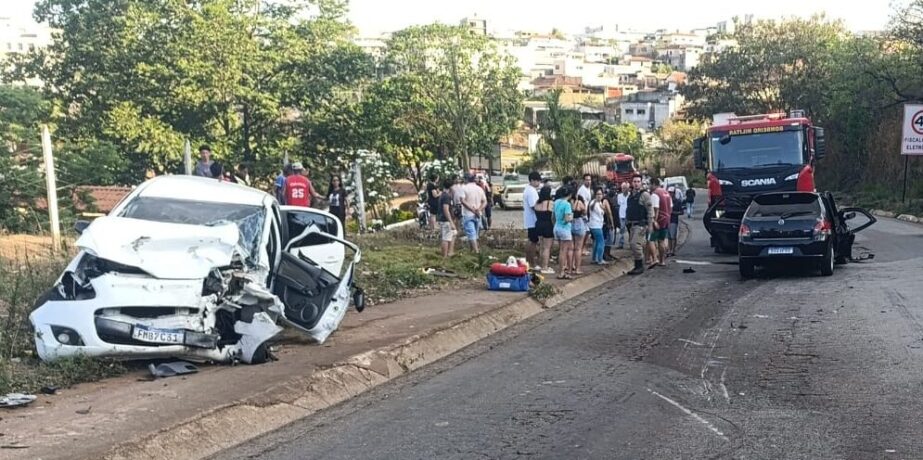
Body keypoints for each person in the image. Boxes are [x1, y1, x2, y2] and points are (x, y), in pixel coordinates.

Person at [626, 175, 653, 275]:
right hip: (632, 224)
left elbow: (650, 211)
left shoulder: (644, 195)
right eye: (634, 181)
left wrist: (650, 225)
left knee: (635, 244)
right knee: (632, 245)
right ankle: (637, 265)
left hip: (641, 224)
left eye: (638, 181)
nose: (636, 183)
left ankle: (640, 265)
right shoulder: (631, 196)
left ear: (641, 183)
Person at [457, 174, 487, 254]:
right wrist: (479, 209)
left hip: (468, 214)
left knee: (471, 234)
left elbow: (462, 201)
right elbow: (484, 201)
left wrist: (472, 209)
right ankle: (472, 251)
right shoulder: (479, 189)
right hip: (478, 214)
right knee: (475, 234)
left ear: (467, 180)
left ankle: (476, 252)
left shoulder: (464, 188)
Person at [649, 178, 672, 267]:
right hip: (666, 219)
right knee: (661, 241)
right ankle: (662, 261)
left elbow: (655, 208)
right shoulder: (667, 193)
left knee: (651, 239)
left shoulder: (655, 194)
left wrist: (654, 220)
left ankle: (655, 259)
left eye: (650, 184)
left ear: (654, 184)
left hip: (658, 220)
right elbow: (671, 207)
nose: (649, 187)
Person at [553, 187, 574, 279]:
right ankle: (562, 272)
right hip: (564, 229)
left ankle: (562, 271)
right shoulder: (567, 204)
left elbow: (552, 217)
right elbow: (567, 218)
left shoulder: (556, 202)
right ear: (569, 195)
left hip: (556, 227)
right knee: (564, 251)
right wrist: (571, 219)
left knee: (561, 250)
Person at [534, 185, 555, 275]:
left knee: (541, 246)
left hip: (538, 224)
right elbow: (554, 216)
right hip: (547, 225)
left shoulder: (537, 203)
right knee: (547, 248)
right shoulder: (550, 203)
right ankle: (545, 267)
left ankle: (541, 264)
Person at [523, 171, 542, 268]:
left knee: (531, 240)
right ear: (532, 181)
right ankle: (532, 263)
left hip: (530, 220)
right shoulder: (531, 191)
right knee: (533, 241)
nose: (538, 183)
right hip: (533, 220)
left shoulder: (528, 189)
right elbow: (534, 205)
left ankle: (529, 261)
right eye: (537, 181)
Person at [588, 188, 611, 265]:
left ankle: (594, 258)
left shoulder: (594, 203)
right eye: (598, 194)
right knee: (601, 242)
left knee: (596, 242)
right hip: (596, 226)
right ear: (595, 195)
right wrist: (603, 209)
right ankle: (600, 259)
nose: (599, 196)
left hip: (594, 225)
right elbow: (601, 213)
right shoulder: (596, 204)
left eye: (601, 194)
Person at [570, 188, 589, 275]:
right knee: (578, 248)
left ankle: (570, 266)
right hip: (578, 222)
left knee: (570, 248)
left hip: (570, 224)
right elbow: (585, 212)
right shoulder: (579, 202)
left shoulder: (568, 202)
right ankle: (577, 269)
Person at [437, 179, 457, 258]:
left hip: (444, 219)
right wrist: (451, 222)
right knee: (446, 238)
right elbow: (446, 210)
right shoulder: (446, 196)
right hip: (446, 220)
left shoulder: (444, 194)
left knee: (453, 234)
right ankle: (444, 256)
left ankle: (450, 252)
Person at [669, 186, 684, 256]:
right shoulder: (667, 200)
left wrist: (673, 213)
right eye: (669, 192)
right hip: (667, 220)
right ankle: (669, 249)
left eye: (671, 193)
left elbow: (681, 212)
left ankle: (673, 250)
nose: (670, 194)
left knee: (673, 236)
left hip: (673, 220)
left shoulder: (677, 201)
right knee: (669, 236)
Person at [617, 181, 630, 249]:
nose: (624, 189)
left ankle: (631, 243)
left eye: (625, 188)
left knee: (630, 230)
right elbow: (619, 204)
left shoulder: (630, 195)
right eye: (623, 188)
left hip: (629, 216)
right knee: (621, 229)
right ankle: (621, 244)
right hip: (622, 215)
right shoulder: (619, 196)